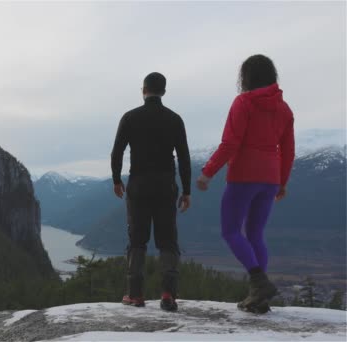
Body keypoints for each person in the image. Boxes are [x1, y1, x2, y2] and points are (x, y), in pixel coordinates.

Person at [197, 54, 295, 313]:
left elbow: (230, 143)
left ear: (247, 77)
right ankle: (258, 298)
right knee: (255, 234)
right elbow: (288, 150)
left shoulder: (244, 102)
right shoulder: (285, 110)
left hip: (243, 176)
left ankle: (258, 282)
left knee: (230, 231)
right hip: (271, 178)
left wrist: (207, 173)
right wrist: (282, 182)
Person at [111, 72, 192, 312]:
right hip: (166, 186)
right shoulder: (175, 119)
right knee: (167, 239)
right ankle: (168, 294)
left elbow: (117, 152)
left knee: (137, 239)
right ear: (164, 91)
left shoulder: (130, 117)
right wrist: (186, 190)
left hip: (138, 185)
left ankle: (134, 294)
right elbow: (184, 158)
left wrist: (117, 179)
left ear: (143, 90)